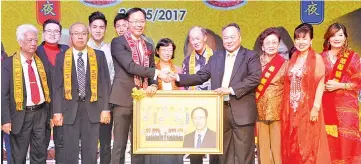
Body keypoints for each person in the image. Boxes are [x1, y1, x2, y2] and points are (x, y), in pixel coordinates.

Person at [172, 23, 261, 164]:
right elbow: (201, 76)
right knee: (224, 155)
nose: (229, 40)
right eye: (226, 38)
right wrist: (177, 77)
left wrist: (230, 90)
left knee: (244, 155)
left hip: (242, 112)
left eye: (232, 37)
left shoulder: (251, 56)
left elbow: (254, 78)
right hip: (220, 112)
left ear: (240, 37)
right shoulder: (216, 57)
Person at [109, 8, 169, 164]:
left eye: (142, 21)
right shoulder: (118, 42)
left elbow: (151, 71)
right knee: (120, 145)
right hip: (123, 99)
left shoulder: (148, 45)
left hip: (143, 101)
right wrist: (156, 73)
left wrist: (154, 85)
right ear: (128, 23)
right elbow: (130, 66)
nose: (139, 24)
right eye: (135, 21)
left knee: (139, 145)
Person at [52, 22, 110, 164]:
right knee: (69, 151)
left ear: (88, 35)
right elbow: (57, 87)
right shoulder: (62, 57)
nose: (80, 37)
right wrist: (57, 111)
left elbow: (105, 84)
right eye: (76, 34)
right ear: (70, 36)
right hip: (69, 110)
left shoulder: (98, 56)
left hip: (93, 109)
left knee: (90, 152)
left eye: (83, 33)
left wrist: (106, 109)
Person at [281, 23, 331, 164]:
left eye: (304, 38)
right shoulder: (294, 58)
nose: (300, 42)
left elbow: (320, 83)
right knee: (293, 143)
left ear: (311, 41)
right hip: (292, 109)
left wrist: (315, 107)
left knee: (308, 144)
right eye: (297, 38)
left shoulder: (316, 58)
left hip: (308, 108)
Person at [2, 24, 50, 164]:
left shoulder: (41, 61)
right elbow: (3, 94)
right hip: (20, 114)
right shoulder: (8, 64)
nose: (34, 43)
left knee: (40, 153)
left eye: (35, 40)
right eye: (30, 40)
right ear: (20, 42)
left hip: (41, 113)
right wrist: (5, 120)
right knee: (18, 156)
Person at [321, 22, 361, 163]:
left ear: (345, 37)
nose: (336, 38)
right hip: (325, 107)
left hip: (347, 109)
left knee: (346, 142)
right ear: (328, 38)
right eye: (333, 35)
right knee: (327, 141)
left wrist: (339, 85)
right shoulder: (320, 58)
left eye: (340, 35)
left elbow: (358, 83)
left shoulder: (353, 57)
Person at [144, 38, 183, 164]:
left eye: (170, 50)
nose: (167, 53)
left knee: (173, 146)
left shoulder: (178, 70)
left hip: (175, 114)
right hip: (155, 115)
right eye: (164, 50)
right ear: (157, 51)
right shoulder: (152, 70)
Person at [36, 19, 69, 164]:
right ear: (43, 34)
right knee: (40, 144)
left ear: (60, 34)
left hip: (63, 104)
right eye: (49, 31)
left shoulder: (67, 50)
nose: (52, 34)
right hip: (42, 105)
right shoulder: (35, 52)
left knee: (63, 144)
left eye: (56, 31)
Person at [255, 27, 287, 164]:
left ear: (278, 44)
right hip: (258, 110)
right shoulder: (254, 63)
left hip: (278, 111)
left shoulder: (285, 64)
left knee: (277, 148)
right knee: (262, 148)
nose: (271, 46)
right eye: (267, 42)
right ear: (262, 46)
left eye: (274, 42)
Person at [87, 11, 115, 164]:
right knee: (89, 143)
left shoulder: (110, 49)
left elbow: (112, 75)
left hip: (105, 103)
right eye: (95, 27)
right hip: (86, 104)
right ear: (89, 28)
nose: (98, 30)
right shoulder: (82, 48)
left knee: (105, 142)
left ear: (106, 29)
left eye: (101, 27)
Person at [182, 26, 213, 91]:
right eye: (192, 39)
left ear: (205, 37)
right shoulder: (187, 61)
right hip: (194, 98)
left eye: (198, 38)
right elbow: (186, 84)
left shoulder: (216, 57)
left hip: (213, 98)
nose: (195, 42)